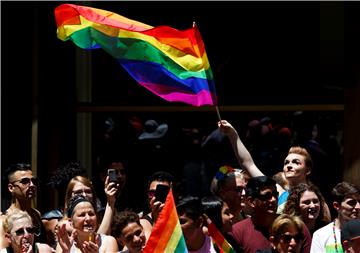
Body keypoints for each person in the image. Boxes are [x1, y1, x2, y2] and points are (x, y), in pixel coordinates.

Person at [218, 120, 317, 213]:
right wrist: (232, 134)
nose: (289, 165)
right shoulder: (278, 193)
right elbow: (248, 164)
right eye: (286, 162)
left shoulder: (317, 199)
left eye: (296, 162)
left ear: (307, 170)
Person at [230, 176, 311, 253]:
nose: (273, 200)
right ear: (251, 201)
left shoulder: (296, 227)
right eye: (266, 196)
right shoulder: (237, 232)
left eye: (275, 195)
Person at [0, 163, 47, 249]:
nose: (32, 185)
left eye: (34, 181)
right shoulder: (4, 221)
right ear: (11, 188)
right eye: (25, 182)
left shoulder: (36, 214)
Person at [311, 181, 360, 253]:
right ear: (336, 206)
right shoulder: (320, 235)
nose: (358, 207)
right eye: (351, 203)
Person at [139, 171, 173, 240]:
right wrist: (156, 220)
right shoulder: (143, 224)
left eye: (162, 192)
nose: (155, 197)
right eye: (152, 193)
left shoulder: (181, 219)